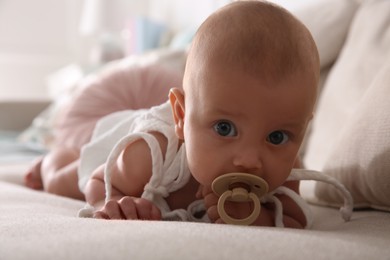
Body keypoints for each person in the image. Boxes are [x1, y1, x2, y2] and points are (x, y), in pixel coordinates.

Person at [25, 1, 320, 228]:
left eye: (276, 136)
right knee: (62, 180)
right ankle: (51, 160)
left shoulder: (286, 171)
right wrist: (116, 201)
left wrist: (260, 219)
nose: (249, 160)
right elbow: (100, 181)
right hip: (119, 144)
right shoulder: (151, 153)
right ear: (181, 115)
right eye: (225, 128)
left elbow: (295, 221)